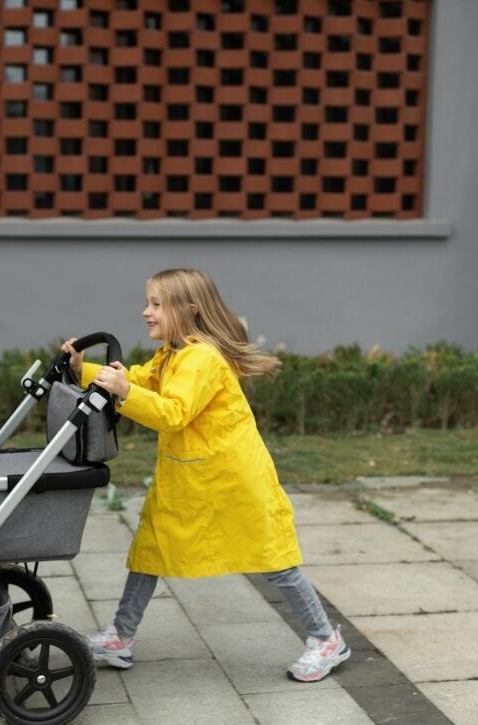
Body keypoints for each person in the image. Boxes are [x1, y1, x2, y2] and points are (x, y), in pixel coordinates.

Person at [62, 268, 348, 683]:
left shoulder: (202, 358)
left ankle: (326, 640)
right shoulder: (176, 353)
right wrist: (84, 371)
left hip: (233, 480)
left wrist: (123, 392)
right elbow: (142, 379)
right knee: (151, 550)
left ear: (189, 310)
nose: (146, 311)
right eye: (148, 302)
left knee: (273, 558)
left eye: (156, 304)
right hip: (191, 479)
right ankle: (121, 636)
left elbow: (173, 412)